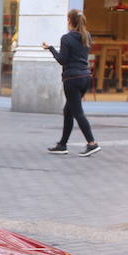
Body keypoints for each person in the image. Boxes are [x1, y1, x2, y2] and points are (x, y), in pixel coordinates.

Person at [42, 9, 100, 157]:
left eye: (67, 19)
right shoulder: (86, 36)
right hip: (85, 77)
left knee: (77, 112)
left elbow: (62, 60)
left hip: (72, 79)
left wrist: (51, 49)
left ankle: (92, 143)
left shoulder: (66, 38)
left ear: (70, 21)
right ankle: (62, 145)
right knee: (68, 111)